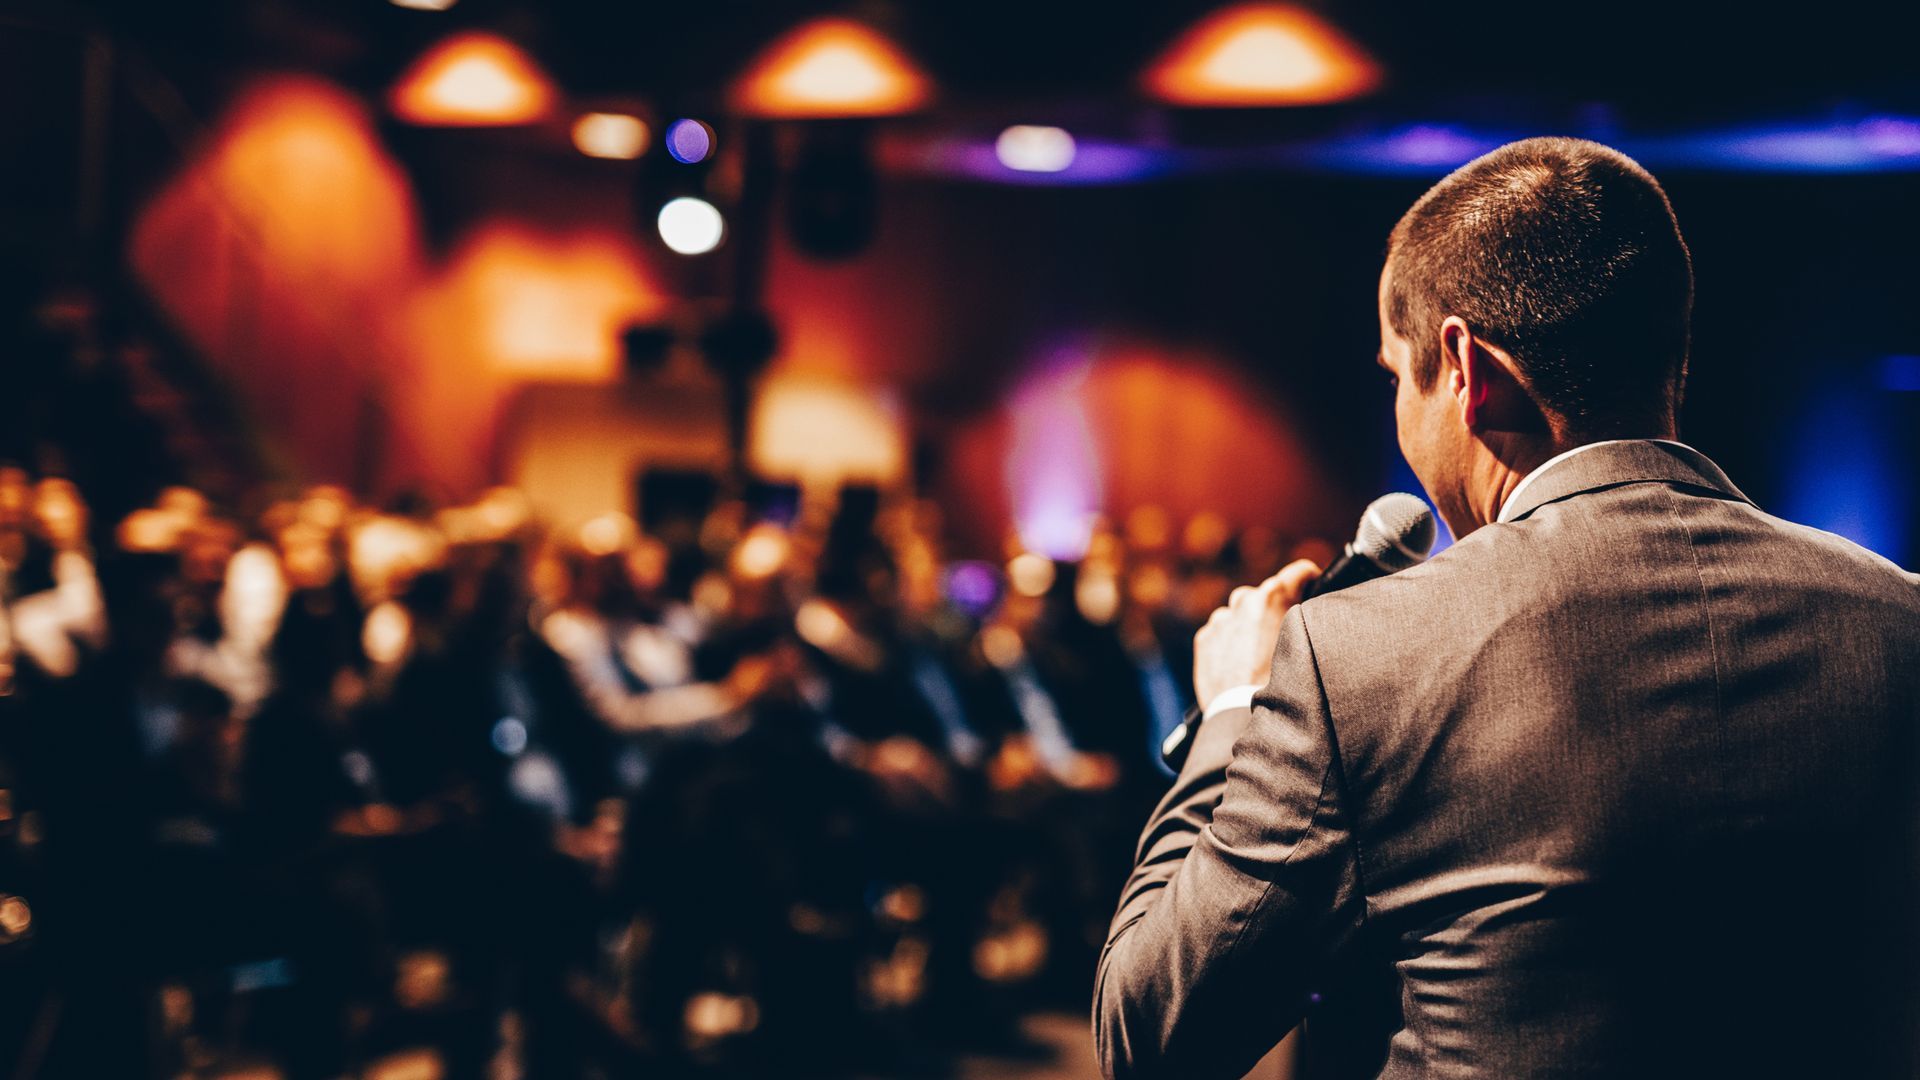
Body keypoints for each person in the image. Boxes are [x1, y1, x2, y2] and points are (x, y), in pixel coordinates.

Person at [1093, 137, 1920, 1079]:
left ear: (1463, 369)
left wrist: (1235, 712)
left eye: (1395, 376)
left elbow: (1148, 1036)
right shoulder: (1898, 621)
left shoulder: (1359, 653)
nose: (1400, 414)